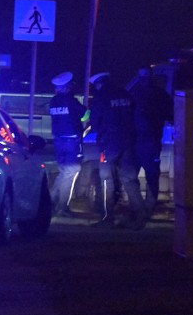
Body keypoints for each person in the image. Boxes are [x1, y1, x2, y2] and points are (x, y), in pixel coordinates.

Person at [87, 72, 146, 229]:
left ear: (99, 84)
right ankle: (139, 216)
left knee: (107, 180)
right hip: (128, 142)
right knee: (129, 179)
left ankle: (108, 217)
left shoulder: (101, 97)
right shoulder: (125, 94)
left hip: (109, 144)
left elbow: (94, 122)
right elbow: (135, 114)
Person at [129, 67, 173, 217]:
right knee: (152, 176)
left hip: (136, 142)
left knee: (131, 176)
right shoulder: (161, 95)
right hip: (151, 142)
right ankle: (147, 207)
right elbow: (172, 116)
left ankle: (137, 207)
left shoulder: (133, 94)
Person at [48, 71, 88, 217]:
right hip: (71, 141)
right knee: (71, 171)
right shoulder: (71, 101)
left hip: (58, 141)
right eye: (70, 85)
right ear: (66, 87)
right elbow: (85, 115)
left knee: (64, 172)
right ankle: (62, 207)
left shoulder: (54, 101)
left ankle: (50, 202)